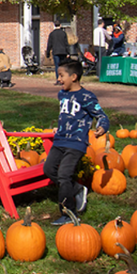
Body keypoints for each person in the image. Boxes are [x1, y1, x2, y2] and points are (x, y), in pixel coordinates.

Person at [43, 59, 110, 226]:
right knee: (48, 169)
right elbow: (66, 116)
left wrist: (102, 126)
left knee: (64, 175)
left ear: (73, 76)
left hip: (76, 142)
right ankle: (77, 189)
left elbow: (101, 115)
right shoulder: (62, 94)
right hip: (60, 140)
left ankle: (68, 213)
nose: (58, 79)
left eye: (61, 75)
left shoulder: (86, 97)